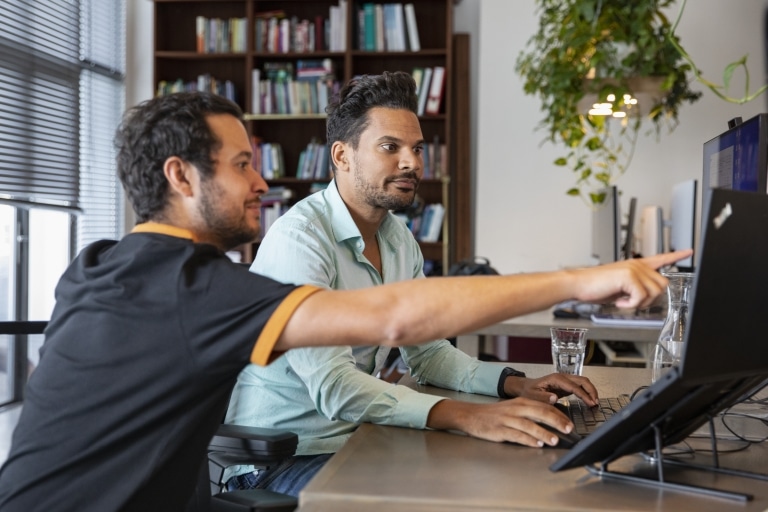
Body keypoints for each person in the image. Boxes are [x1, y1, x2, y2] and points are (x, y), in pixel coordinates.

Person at [0, 91, 686, 512]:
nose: (263, 181)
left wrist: (505, 385)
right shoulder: (196, 288)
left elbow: (419, 340)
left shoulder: (100, 266)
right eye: (242, 164)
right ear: (180, 176)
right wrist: (584, 279)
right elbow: (393, 318)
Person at [223, 72, 691, 497]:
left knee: (511, 469)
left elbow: (427, 354)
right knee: (458, 489)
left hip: (353, 439)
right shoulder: (299, 240)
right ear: (342, 156)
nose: (411, 162)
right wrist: (469, 416)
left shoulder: (396, 236)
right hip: (280, 460)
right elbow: (336, 388)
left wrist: (513, 384)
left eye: (418, 148)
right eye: (391, 147)